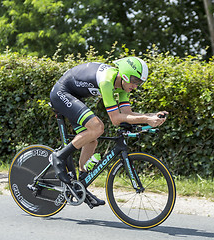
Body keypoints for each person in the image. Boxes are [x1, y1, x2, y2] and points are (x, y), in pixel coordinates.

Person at [49, 56, 168, 206]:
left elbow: (127, 114)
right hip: (62, 93)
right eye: (134, 81)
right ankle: (59, 157)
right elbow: (116, 118)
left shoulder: (124, 86)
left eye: (139, 83)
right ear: (125, 74)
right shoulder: (107, 81)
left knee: (91, 140)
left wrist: (151, 116)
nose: (135, 86)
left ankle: (80, 186)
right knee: (97, 127)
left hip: (74, 96)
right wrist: (146, 118)